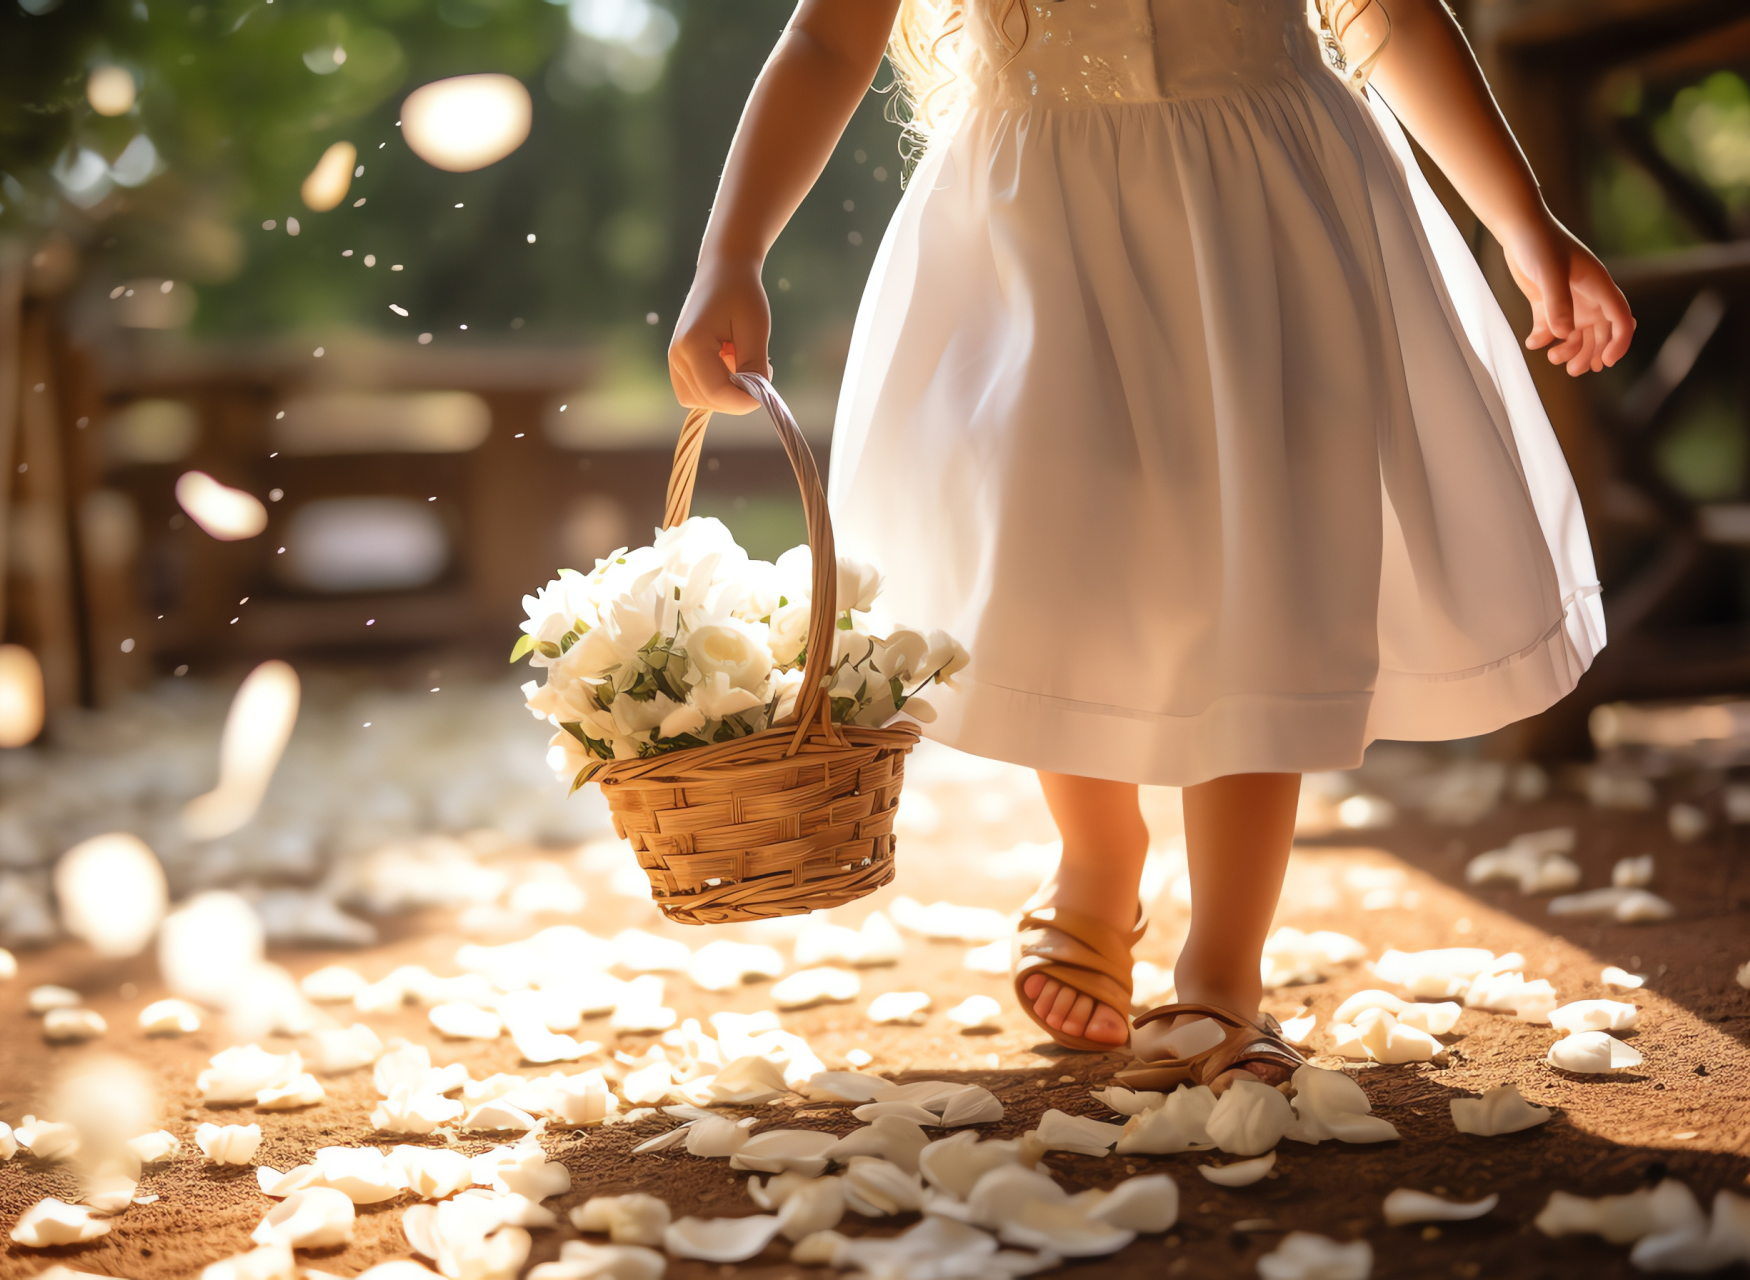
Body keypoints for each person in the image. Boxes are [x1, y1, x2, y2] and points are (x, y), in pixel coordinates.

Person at [668, 0, 1632, 1090]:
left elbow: (1396, 15)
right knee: (1052, 542)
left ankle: (1225, 961)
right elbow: (828, 38)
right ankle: (1097, 843)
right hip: (1038, 224)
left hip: (1266, 207)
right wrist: (731, 249)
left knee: (1269, 567)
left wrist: (1523, 224)